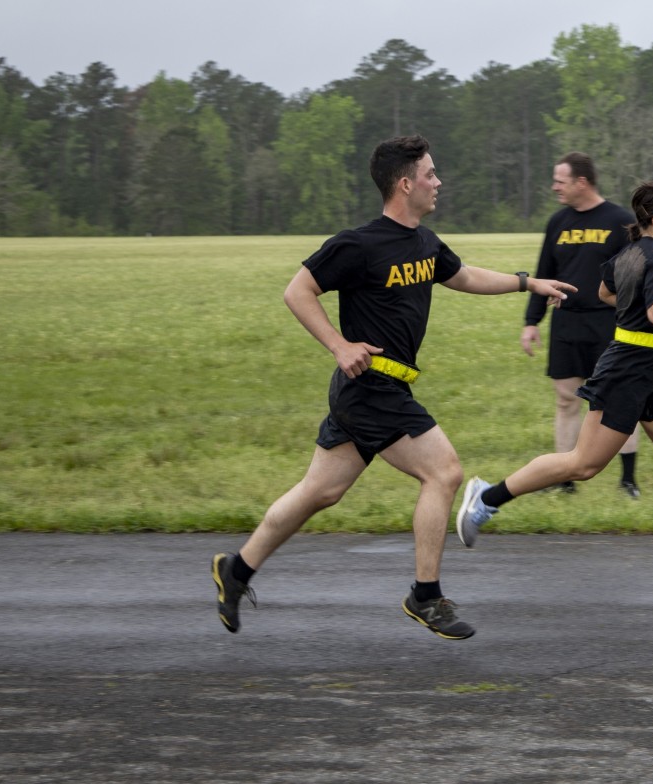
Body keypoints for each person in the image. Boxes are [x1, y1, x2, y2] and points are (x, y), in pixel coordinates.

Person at [210, 135, 576, 640]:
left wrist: (527, 282)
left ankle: (237, 570)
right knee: (445, 473)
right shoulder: (359, 244)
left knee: (321, 491)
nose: (438, 181)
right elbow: (298, 291)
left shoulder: (424, 243)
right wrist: (339, 345)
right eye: (430, 173)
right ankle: (425, 596)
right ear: (405, 184)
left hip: (376, 390)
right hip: (371, 389)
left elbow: (463, 275)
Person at [456, 179, 653, 587]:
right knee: (583, 465)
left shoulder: (632, 252)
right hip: (629, 371)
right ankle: (486, 498)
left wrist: (641, 308)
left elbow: (607, 292)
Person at [521, 152, 644, 498]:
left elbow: (637, 275)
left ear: (582, 182)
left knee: (618, 400)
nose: (554, 186)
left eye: (560, 180)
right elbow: (542, 273)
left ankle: (628, 480)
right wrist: (532, 322)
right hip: (566, 324)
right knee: (565, 400)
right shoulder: (557, 222)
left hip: (609, 324)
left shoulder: (619, 220)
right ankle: (565, 480)